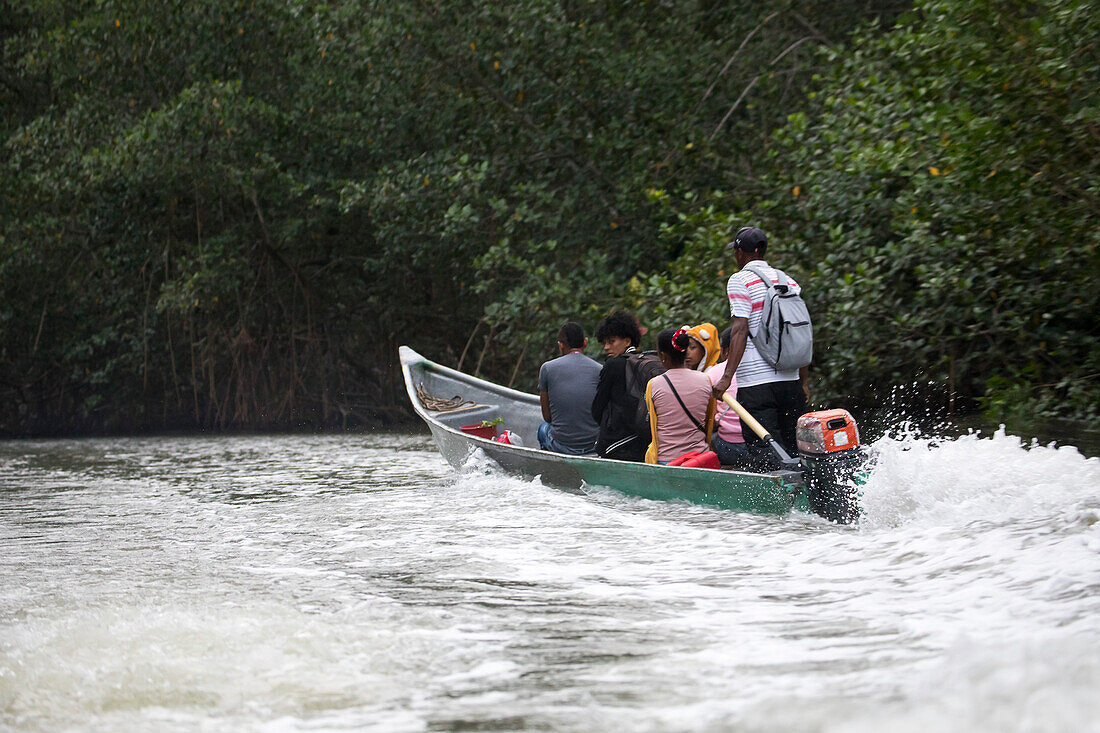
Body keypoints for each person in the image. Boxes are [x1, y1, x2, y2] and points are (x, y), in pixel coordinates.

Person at [711, 226, 809, 468]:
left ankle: (773, 504)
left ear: (740, 252)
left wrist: (726, 378)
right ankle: (803, 499)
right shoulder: (789, 282)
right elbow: (800, 335)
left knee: (764, 451)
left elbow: (740, 329)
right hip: (791, 381)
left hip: (756, 384)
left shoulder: (739, 280)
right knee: (794, 448)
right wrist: (804, 383)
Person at [645, 328, 716, 464]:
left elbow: (653, 426)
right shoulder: (706, 380)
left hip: (666, 459)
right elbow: (709, 421)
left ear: (663, 356)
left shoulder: (654, 385)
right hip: (699, 458)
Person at [590, 311, 647, 461]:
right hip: (645, 443)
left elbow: (597, 408)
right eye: (605, 343)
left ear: (627, 341)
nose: (606, 347)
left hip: (616, 444)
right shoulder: (648, 362)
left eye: (612, 341)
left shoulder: (613, 365)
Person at [537, 322, 602, 454]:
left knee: (543, 428)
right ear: (585, 343)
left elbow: (547, 417)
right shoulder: (600, 369)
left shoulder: (547, 368)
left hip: (563, 445)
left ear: (560, 344)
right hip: (594, 445)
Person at [705, 326, 750, 466]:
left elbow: (708, 415)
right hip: (757, 443)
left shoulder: (715, 372)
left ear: (725, 351)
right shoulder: (758, 370)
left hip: (728, 445)